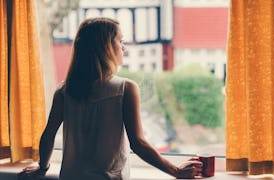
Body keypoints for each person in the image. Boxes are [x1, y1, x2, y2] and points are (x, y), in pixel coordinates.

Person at [19, 17, 203, 180]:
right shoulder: (125, 89)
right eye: (120, 41)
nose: (124, 47)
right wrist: (176, 171)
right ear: (105, 47)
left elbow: (48, 135)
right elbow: (138, 144)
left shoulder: (64, 91)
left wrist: (42, 168)